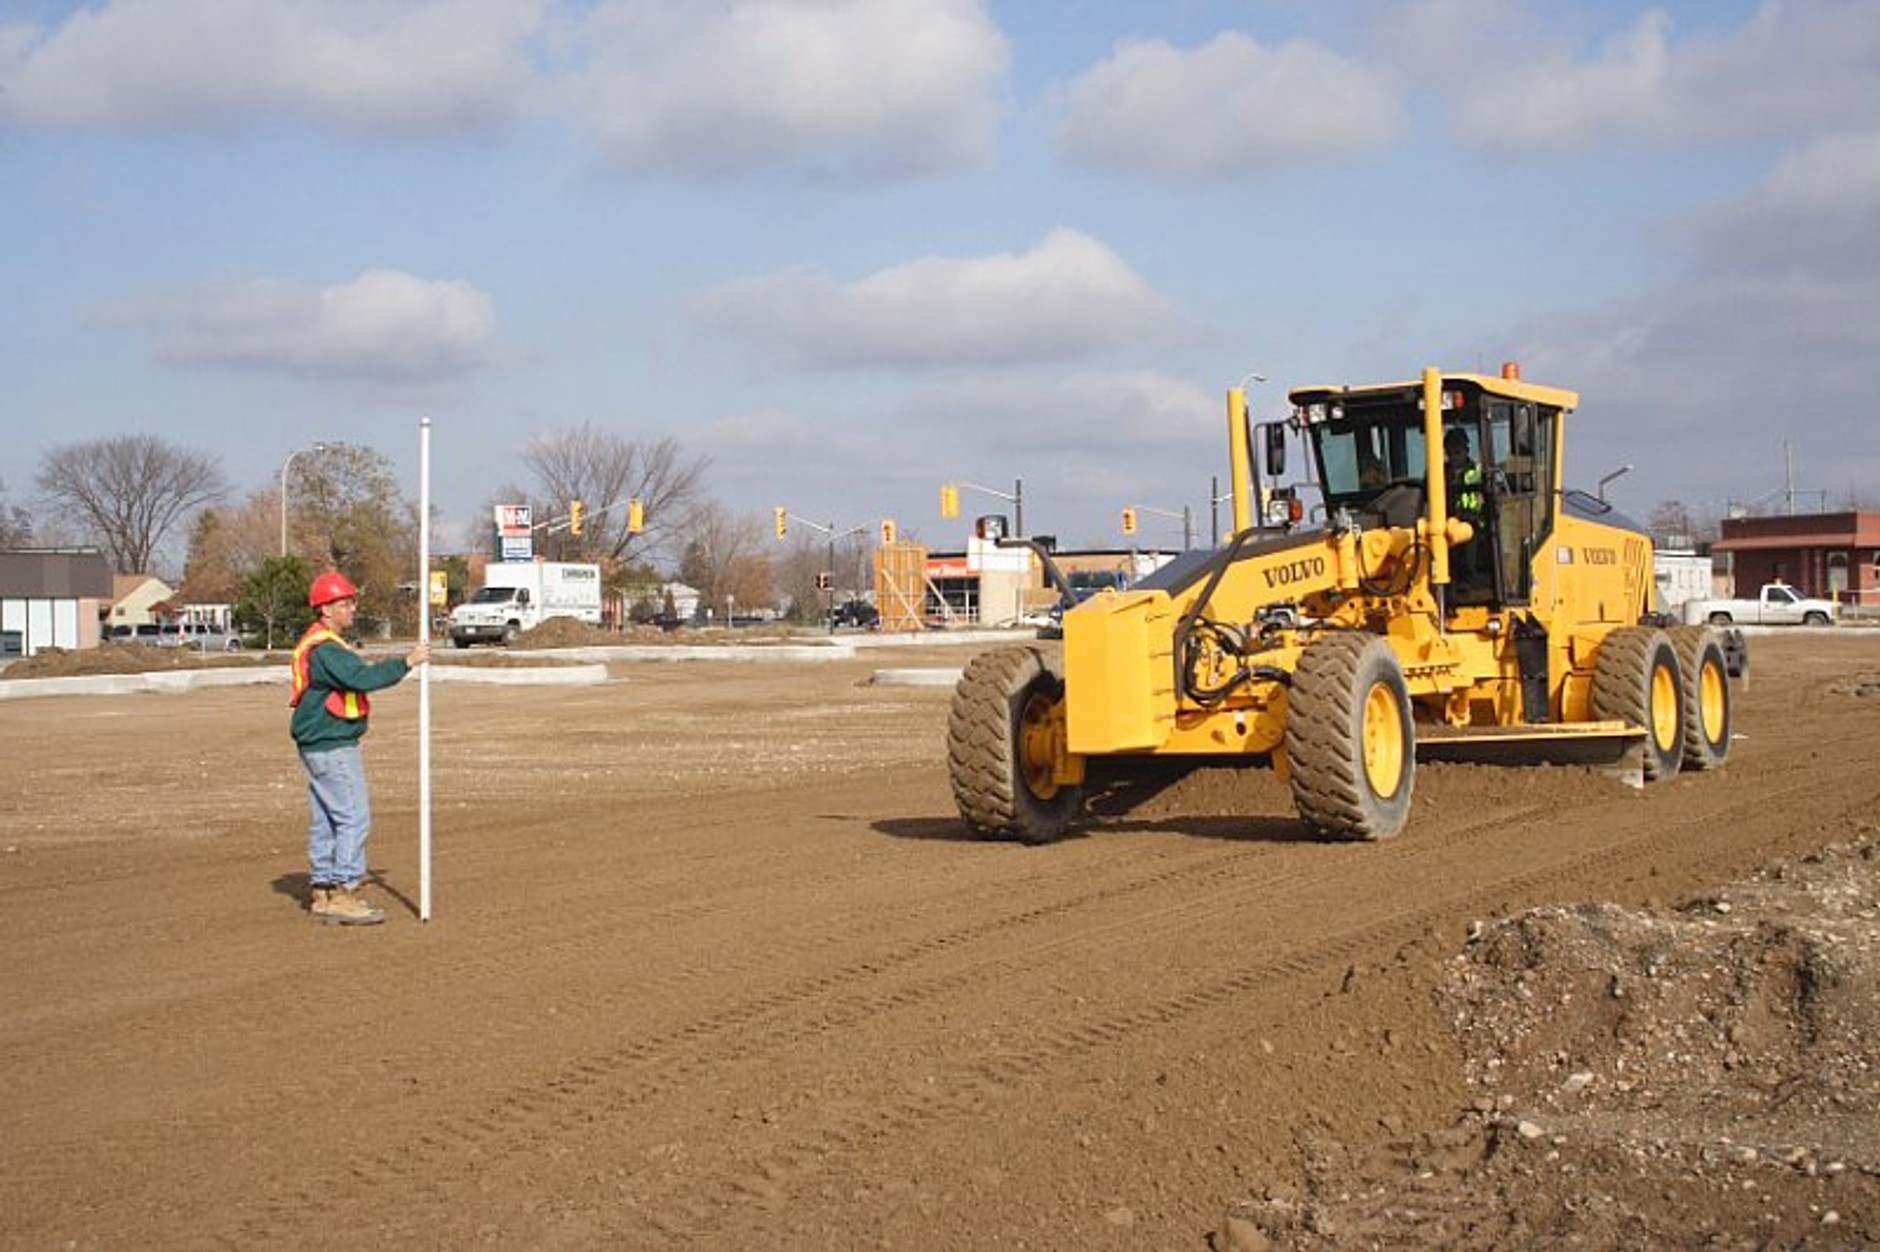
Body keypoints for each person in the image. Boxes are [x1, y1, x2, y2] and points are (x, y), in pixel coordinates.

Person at [290, 571, 430, 925]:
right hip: (331, 744)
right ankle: (343, 889)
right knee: (353, 815)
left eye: (352, 602)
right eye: (344, 603)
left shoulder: (322, 644)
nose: (352, 608)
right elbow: (361, 678)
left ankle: (322, 889)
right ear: (325, 610)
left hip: (319, 743)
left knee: (326, 817)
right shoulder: (325, 649)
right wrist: (407, 663)